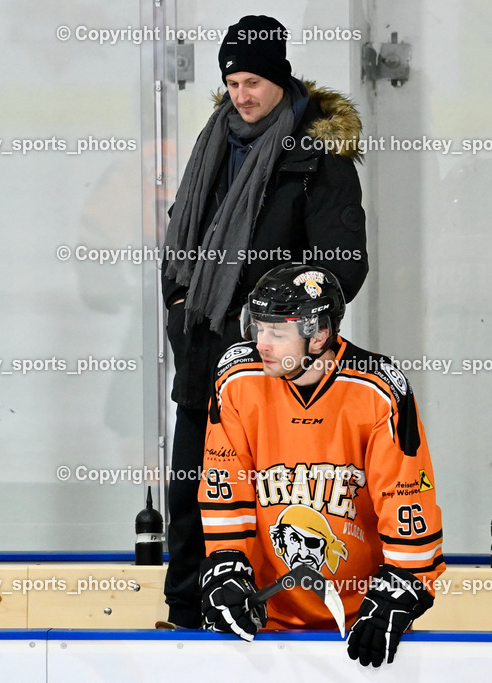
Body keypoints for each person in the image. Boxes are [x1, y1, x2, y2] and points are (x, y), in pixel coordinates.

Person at [160, 14, 368, 629]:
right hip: (204, 355)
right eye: (232, 82)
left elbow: (342, 268)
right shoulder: (213, 144)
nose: (241, 95)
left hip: (276, 371)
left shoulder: (317, 158)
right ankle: (185, 616)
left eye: (253, 81)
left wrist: (274, 325)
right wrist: (179, 309)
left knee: (275, 502)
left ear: (280, 79)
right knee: (193, 490)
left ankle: (274, 617)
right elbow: (180, 245)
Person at [198, 264, 444, 668]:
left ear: (321, 335)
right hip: (262, 622)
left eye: (277, 334)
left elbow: (406, 496)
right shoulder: (238, 377)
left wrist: (406, 582)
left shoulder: (377, 388)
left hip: (362, 622)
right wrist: (226, 562)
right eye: (258, 328)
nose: (262, 344)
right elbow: (226, 481)